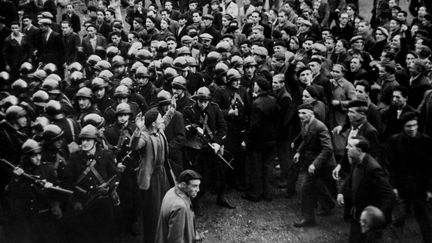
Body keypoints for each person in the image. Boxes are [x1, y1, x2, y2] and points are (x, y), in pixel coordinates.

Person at [63, 124, 120, 243]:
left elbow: (115, 176)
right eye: (82, 139)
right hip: (83, 205)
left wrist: (109, 188)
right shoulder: (74, 158)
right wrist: (74, 202)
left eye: (88, 139)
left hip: (103, 204)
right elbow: (67, 183)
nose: (84, 143)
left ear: (96, 141)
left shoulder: (106, 155)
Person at [338, 136, 395, 243]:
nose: (346, 147)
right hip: (357, 214)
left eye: (350, 146)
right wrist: (342, 192)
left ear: (359, 150)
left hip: (368, 219)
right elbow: (350, 177)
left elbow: (389, 195)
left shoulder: (373, 169)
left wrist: (377, 219)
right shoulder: (356, 160)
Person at [386, 111, 432, 243]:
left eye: (414, 125)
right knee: (398, 218)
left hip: (420, 187)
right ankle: (396, 240)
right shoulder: (394, 141)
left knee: (424, 219)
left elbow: (430, 168)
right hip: (401, 187)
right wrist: (394, 186)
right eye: (408, 126)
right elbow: (392, 167)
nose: (412, 129)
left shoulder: (426, 141)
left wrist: (430, 189)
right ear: (403, 127)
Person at [131, 108, 175, 243]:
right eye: (159, 118)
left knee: (166, 206)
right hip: (150, 177)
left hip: (162, 174)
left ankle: (165, 235)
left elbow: (166, 120)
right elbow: (134, 146)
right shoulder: (144, 136)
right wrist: (137, 130)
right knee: (154, 211)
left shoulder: (159, 129)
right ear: (153, 123)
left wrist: (172, 109)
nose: (161, 120)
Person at [291, 103, 336, 227]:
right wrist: (299, 151)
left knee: (308, 189)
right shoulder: (305, 123)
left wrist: (315, 164)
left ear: (312, 114)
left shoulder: (320, 127)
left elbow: (328, 149)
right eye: (299, 113)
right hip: (313, 162)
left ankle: (311, 218)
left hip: (323, 163)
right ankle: (323, 208)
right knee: (315, 185)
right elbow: (306, 138)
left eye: (304, 113)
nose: (301, 116)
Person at [155, 169, 206, 243]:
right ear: (183, 185)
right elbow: (175, 240)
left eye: (198, 186)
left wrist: (194, 236)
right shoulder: (180, 207)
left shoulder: (172, 191)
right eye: (194, 186)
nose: (198, 190)